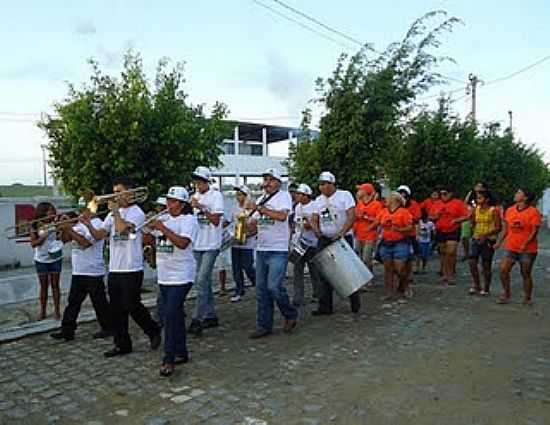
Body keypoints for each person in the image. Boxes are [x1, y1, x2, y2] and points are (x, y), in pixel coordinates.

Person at [83, 176, 161, 357]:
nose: (113, 195)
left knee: (132, 305)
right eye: (114, 192)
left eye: (118, 192)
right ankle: (122, 344)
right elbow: (100, 235)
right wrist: (88, 225)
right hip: (115, 268)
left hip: (131, 267)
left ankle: (153, 330)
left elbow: (122, 230)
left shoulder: (136, 212)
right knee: (116, 309)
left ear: (129, 193)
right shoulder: (111, 214)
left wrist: (116, 213)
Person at [148, 186, 198, 377]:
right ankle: (181, 352)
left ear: (182, 204)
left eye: (173, 201)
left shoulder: (189, 220)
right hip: (164, 275)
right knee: (174, 315)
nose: (168, 204)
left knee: (169, 315)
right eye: (168, 200)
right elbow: (148, 235)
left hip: (182, 275)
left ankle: (168, 359)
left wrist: (161, 227)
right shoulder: (165, 219)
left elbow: (182, 243)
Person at [50, 198, 112, 341]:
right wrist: (61, 226)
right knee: (73, 302)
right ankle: (67, 330)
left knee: (99, 302)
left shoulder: (98, 224)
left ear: (91, 209)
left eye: (82, 209)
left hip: (93, 270)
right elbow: (64, 240)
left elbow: (85, 243)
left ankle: (108, 327)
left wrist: (69, 228)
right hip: (78, 270)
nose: (79, 211)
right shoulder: (78, 223)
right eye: (79, 208)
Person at [249, 168, 298, 338]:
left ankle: (290, 314)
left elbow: (282, 216)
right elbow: (255, 225)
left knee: (274, 287)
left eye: (270, 180)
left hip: (278, 249)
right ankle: (264, 325)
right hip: (261, 248)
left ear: (278, 182)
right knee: (261, 290)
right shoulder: (261, 199)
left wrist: (261, 209)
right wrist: (243, 227)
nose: (267, 183)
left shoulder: (283, 196)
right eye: (265, 179)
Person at [311, 171, 360, 315]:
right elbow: (314, 218)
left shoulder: (345, 195)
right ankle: (325, 306)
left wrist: (342, 232)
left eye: (326, 184)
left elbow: (351, 216)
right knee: (323, 273)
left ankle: (354, 301)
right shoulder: (318, 200)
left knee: (347, 272)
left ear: (333, 184)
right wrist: (316, 229)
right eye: (321, 184)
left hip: (342, 237)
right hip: (325, 238)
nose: (323, 187)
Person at [188, 166, 224, 336]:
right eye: (195, 181)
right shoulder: (193, 196)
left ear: (206, 181)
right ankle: (211, 315)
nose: (197, 184)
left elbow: (216, 220)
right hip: (197, 244)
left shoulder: (216, 196)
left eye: (199, 181)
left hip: (211, 244)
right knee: (204, 282)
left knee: (201, 280)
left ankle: (197, 318)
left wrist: (201, 207)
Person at [496, 188, 542, 305]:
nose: (515, 195)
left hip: (527, 249)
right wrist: (499, 241)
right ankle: (506, 293)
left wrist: (525, 244)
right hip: (511, 246)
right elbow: (506, 228)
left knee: (525, 272)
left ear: (525, 197)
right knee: (503, 270)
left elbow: (534, 230)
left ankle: (527, 297)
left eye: (518, 193)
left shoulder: (533, 212)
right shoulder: (510, 210)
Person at [369, 192, 413, 301]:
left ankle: (405, 285)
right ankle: (389, 292)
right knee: (388, 269)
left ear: (395, 201)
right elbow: (376, 222)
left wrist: (399, 229)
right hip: (386, 242)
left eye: (388, 199)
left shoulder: (404, 212)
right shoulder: (383, 212)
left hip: (400, 242)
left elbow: (410, 227)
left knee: (399, 268)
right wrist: (368, 229)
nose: (385, 200)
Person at [30, 202, 63, 321]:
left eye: (54, 210)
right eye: (51, 211)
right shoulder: (35, 225)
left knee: (55, 286)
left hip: (55, 258)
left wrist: (59, 231)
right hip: (41, 259)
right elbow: (33, 244)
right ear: (43, 212)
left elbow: (61, 239)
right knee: (43, 286)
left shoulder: (57, 223)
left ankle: (57, 311)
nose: (54, 212)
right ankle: (42, 311)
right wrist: (44, 235)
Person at [430, 186, 470, 285]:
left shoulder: (458, 203)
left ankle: (451, 274)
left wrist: (457, 220)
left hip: (453, 230)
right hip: (440, 230)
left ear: (451, 194)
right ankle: (444, 274)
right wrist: (436, 216)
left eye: (445, 193)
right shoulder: (437, 204)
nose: (443, 196)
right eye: (442, 194)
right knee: (443, 253)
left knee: (451, 252)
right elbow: (430, 216)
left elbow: (467, 215)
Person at [291, 183, 321, 307]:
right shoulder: (297, 207)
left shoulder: (314, 206)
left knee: (315, 271)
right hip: (299, 242)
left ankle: (318, 295)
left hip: (312, 244)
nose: (296, 196)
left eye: (299, 194)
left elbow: (313, 224)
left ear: (306, 195)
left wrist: (305, 224)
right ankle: (298, 297)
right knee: (297, 271)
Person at [468, 190, 501, 296]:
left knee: (486, 264)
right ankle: (476, 285)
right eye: (477, 198)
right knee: (472, 261)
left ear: (487, 199)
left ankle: (486, 288)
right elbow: (472, 221)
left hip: (488, 239)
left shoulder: (493, 210)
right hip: (476, 238)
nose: (478, 200)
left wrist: (486, 235)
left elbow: (498, 227)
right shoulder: (476, 209)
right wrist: (473, 228)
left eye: (480, 198)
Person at [229, 185, 257, 302]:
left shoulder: (252, 210)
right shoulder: (234, 209)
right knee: (236, 268)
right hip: (235, 242)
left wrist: (246, 235)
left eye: (240, 194)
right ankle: (239, 290)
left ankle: (258, 284)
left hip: (247, 243)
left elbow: (255, 227)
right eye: (237, 194)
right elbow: (229, 222)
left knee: (248, 266)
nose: (238, 197)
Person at [353, 183, 383, 275]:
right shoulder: (359, 203)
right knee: (358, 256)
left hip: (370, 235)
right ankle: (363, 276)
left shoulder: (376, 204)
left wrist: (366, 217)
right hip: (358, 234)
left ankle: (368, 276)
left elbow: (379, 219)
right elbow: (355, 216)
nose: (358, 192)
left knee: (367, 258)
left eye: (360, 190)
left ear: (366, 191)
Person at [396, 185, 421, 297]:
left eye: (404, 194)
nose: (402, 196)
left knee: (408, 259)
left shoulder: (414, 205)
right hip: (396, 235)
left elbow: (416, 218)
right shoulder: (394, 206)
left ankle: (407, 278)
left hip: (409, 235)